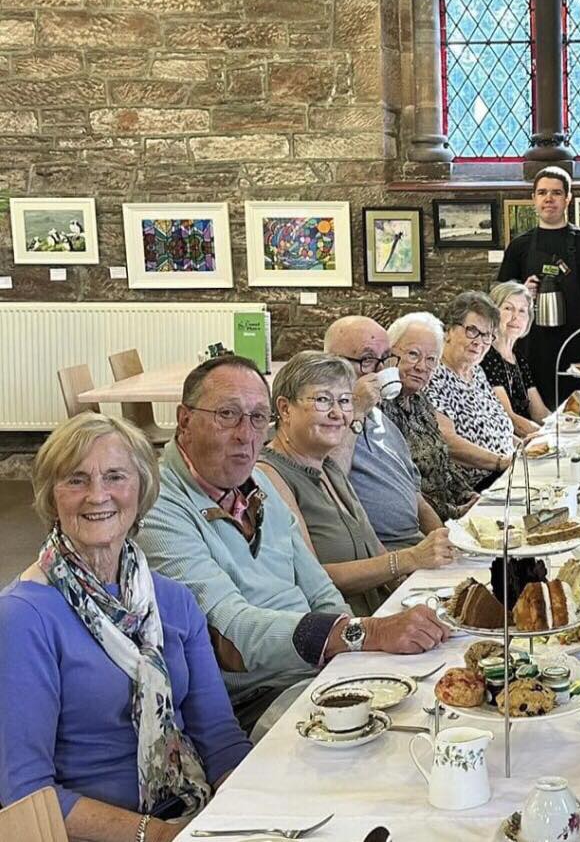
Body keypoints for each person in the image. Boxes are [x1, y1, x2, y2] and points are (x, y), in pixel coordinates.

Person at [137, 355, 449, 734]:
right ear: (184, 420)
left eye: (256, 418)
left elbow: (319, 587)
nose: (246, 435)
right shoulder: (157, 508)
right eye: (228, 414)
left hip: (319, 672)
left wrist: (348, 663)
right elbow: (236, 633)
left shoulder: (255, 482)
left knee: (439, 710)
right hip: (261, 698)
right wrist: (365, 634)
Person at [0, 413, 250, 842]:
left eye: (115, 476)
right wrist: (156, 835)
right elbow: (25, 792)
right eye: (75, 480)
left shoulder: (171, 600)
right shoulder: (23, 617)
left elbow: (219, 738)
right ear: (51, 496)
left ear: (142, 488)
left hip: (191, 810)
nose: (98, 495)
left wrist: (251, 809)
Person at [254, 351, 453, 618]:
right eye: (323, 400)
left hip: (382, 616)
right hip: (344, 635)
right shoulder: (268, 475)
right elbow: (311, 578)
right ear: (285, 408)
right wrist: (411, 558)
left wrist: (433, 600)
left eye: (345, 400)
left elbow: (375, 550)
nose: (338, 413)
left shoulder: (329, 468)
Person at [322, 314, 445, 549]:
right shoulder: (322, 423)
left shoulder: (381, 420)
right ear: (332, 362)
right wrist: (356, 410)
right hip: (384, 556)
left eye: (385, 359)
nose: (380, 372)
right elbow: (328, 483)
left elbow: (415, 496)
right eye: (368, 359)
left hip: (416, 547)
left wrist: (444, 538)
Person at [496, 165, 580, 406]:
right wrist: (522, 293)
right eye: (542, 193)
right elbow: (498, 301)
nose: (548, 198)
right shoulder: (519, 246)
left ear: (568, 198)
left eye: (556, 193)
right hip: (532, 349)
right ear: (533, 198)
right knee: (538, 418)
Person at [382, 312, 485, 520]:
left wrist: (469, 495)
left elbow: (444, 462)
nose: (421, 367)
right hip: (424, 525)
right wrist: (455, 512)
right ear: (388, 353)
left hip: (453, 514)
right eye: (413, 354)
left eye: (431, 359)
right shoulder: (379, 410)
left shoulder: (420, 401)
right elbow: (406, 487)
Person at [425, 292, 519, 480]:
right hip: (473, 487)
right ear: (449, 330)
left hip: (504, 473)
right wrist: (502, 462)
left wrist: (524, 448)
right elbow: (447, 442)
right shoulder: (432, 376)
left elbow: (497, 428)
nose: (479, 342)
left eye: (487, 336)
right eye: (472, 330)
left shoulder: (476, 373)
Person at [483, 281, 553, 439]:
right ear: (492, 313)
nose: (516, 317)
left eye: (522, 311)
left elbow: (539, 413)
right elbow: (510, 420)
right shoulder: (486, 357)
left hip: (528, 438)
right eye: (508, 308)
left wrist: (564, 425)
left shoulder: (518, 358)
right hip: (506, 445)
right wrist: (552, 437)